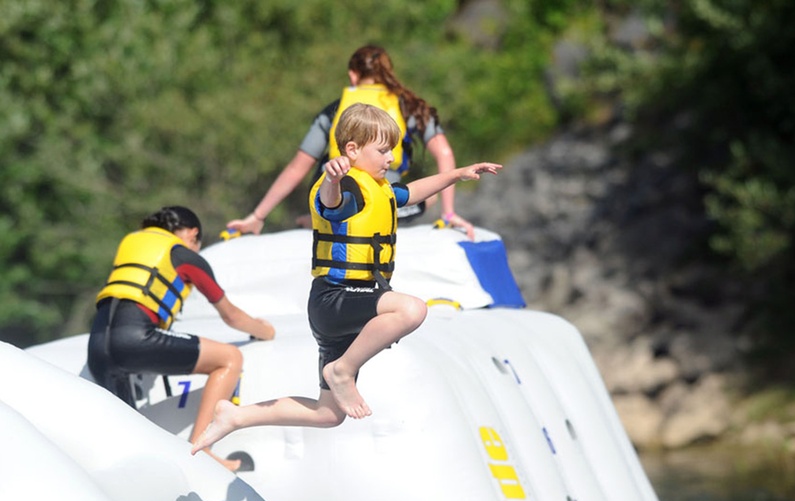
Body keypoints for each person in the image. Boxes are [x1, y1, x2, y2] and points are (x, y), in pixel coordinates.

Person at [191, 103, 500, 454]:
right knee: (411, 310)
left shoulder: (380, 189)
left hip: (348, 306)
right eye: (383, 151)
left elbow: (413, 192)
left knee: (328, 414)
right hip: (336, 299)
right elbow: (331, 201)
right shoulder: (347, 188)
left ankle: (235, 417)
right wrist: (333, 178)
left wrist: (456, 174)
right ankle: (342, 370)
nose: (391, 159)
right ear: (352, 150)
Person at [87, 206, 275, 471]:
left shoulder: (132, 242)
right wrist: (265, 330)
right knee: (230, 358)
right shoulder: (185, 256)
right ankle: (203, 448)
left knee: (128, 437)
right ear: (193, 234)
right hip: (136, 342)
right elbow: (231, 316)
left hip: (96, 350)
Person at [227, 44, 481, 239]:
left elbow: (298, 166)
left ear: (353, 75)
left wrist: (258, 216)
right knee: (427, 196)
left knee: (330, 187)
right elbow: (444, 153)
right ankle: (328, 215)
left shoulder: (334, 110)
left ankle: (319, 216)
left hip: (336, 196)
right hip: (379, 201)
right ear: (389, 73)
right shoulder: (410, 107)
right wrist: (448, 213)